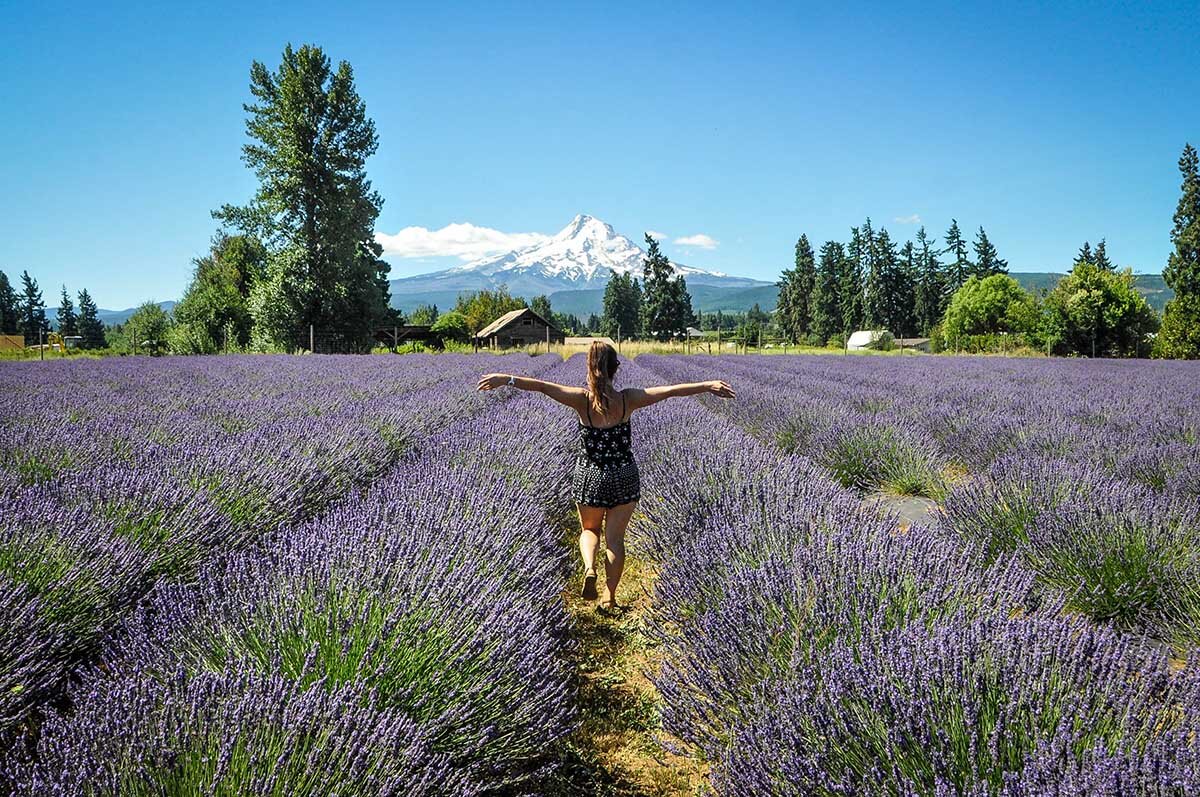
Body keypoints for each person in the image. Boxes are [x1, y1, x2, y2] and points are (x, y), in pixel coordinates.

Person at [477, 340, 735, 614]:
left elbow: (542, 386)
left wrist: (508, 379)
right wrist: (707, 385)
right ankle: (609, 597)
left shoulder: (581, 400)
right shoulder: (628, 399)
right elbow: (669, 391)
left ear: (589, 369)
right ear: (616, 368)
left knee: (589, 530)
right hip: (624, 475)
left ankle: (589, 568)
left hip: (591, 475)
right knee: (615, 539)